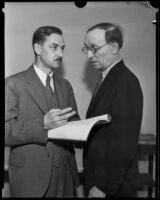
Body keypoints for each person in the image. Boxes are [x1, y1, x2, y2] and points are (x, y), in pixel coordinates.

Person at [5, 26, 81, 198]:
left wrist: (87, 127)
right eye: (54, 47)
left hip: (65, 175)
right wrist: (43, 125)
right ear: (37, 48)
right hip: (30, 176)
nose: (60, 54)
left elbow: (73, 122)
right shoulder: (13, 84)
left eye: (62, 48)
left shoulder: (65, 85)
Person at [82, 23, 143, 198]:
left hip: (111, 186)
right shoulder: (107, 78)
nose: (89, 55)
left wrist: (103, 186)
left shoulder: (126, 82)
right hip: (99, 179)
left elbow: (124, 144)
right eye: (86, 49)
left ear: (114, 47)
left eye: (94, 48)